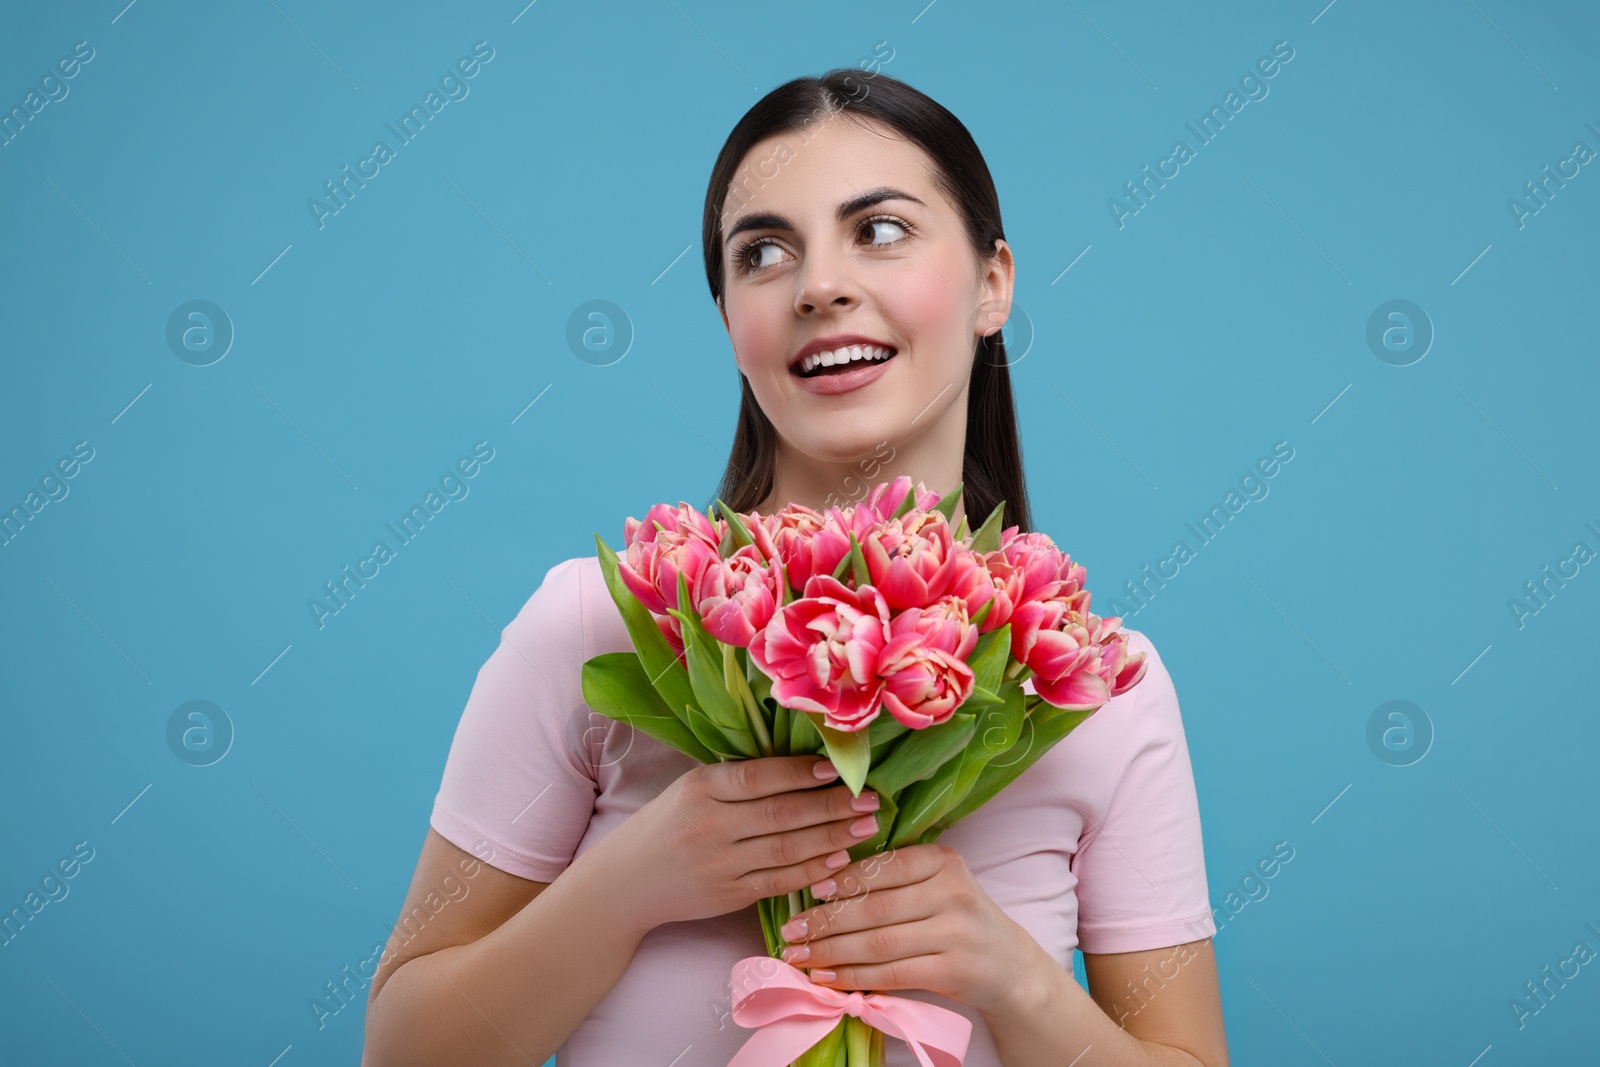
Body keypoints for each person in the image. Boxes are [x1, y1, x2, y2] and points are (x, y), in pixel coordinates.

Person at [363, 69, 1228, 1067]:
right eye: (764, 253)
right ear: (733, 319)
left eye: (881, 230)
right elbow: (403, 1052)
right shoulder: (599, 623)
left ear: (994, 284)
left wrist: (1012, 973)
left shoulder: (1094, 683)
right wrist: (633, 880)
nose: (818, 284)